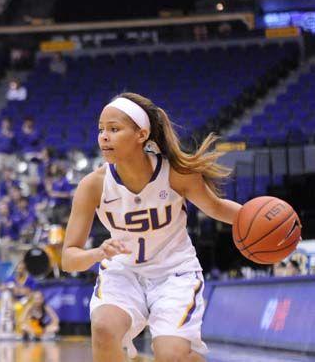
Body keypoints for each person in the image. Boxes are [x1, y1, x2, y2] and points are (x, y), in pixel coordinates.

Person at [62, 92, 241, 362]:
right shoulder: (93, 185)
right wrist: (98, 253)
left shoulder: (175, 173)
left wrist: (262, 220)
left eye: (114, 129)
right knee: (103, 328)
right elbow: (68, 258)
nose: (103, 136)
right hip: (124, 272)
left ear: (141, 134)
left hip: (174, 272)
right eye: (101, 130)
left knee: (170, 355)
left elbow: (217, 208)